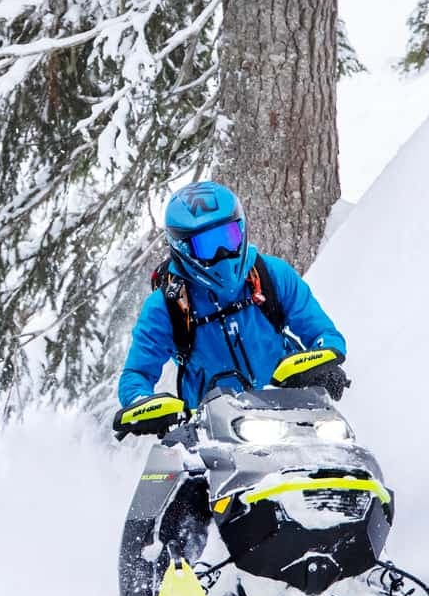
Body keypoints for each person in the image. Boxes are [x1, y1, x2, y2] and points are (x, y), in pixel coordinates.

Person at [112, 180, 349, 439]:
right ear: (183, 248)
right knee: (174, 475)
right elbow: (136, 373)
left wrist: (321, 364)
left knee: (344, 458)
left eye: (229, 237)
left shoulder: (273, 275)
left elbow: (322, 332)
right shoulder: (165, 306)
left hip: (292, 412)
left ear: (242, 229)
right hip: (210, 432)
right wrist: (145, 404)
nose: (224, 253)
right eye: (207, 245)